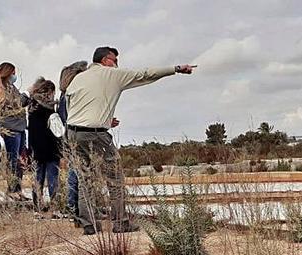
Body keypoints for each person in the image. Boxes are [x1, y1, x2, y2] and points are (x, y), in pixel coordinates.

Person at [66, 46, 195, 234]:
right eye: (115, 60)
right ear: (105, 60)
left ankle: (90, 226)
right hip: (96, 134)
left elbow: (74, 106)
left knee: (86, 180)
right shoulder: (111, 74)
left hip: (73, 133)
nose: (117, 64)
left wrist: (104, 119)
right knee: (115, 178)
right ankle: (120, 222)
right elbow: (144, 74)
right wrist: (175, 68)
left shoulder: (78, 78)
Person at [58, 61, 88, 218]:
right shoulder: (70, 96)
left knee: (75, 172)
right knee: (77, 173)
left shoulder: (64, 96)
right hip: (74, 136)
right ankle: (75, 208)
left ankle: (74, 207)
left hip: (69, 136)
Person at [26, 78, 61, 211]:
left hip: (36, 147)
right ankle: (54, 207)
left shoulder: (32, 107)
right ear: (50, 91)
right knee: (53, 178)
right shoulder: (51, 108)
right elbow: (57, 130)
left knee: (38, 178)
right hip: (51, 147)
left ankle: (37, 207)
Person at [0, 62, 28, 195]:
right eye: (13, 73)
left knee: (20, 160)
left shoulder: (12, 87)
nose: (15, 76)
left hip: (19, 127)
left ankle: (17, 189)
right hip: (11, 127)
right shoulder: (0, 88)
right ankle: (12, 189)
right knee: (13, 159)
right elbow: (9, 103)